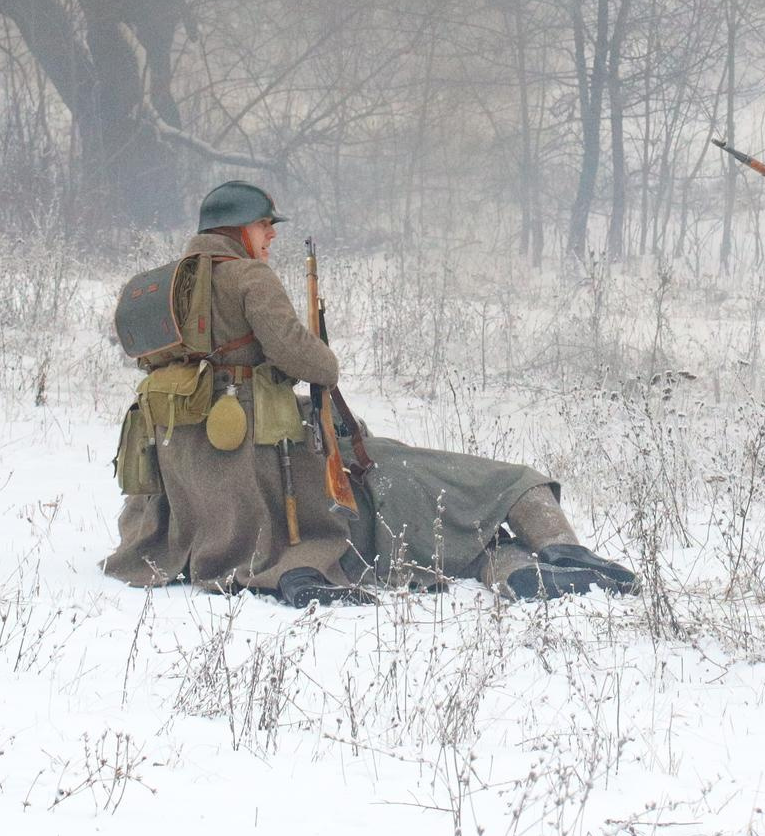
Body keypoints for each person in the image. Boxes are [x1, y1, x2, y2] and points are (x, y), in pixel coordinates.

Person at [102, 181, 638, 607]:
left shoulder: (164, 284)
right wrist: (320, 350)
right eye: (265, 225)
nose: (270, 237)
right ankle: (561, 551)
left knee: (417, 513)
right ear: (240, 227)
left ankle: (523, 567)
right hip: (266, 463)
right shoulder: (248, 278)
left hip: (196, 478)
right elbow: (311, 362)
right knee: (459, 484)